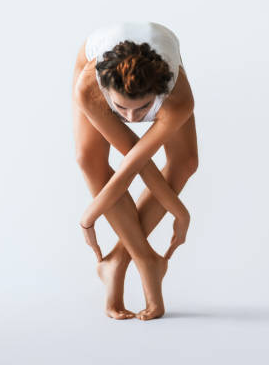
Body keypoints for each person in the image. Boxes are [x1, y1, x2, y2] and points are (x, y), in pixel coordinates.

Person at [71, 21, 198, 320]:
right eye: (121, 109)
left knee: (186, 162)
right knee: (88, 158)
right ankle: (144, 261)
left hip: (160, 75)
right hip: (93, 74)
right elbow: (132, 160)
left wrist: (91, 216)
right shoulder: (90, 88)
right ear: (106, 92)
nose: (130, 118)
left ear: (158, 95)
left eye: (142, 110)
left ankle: (117, 260)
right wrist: (178, 212)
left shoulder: (178, 100)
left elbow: (137, 165)